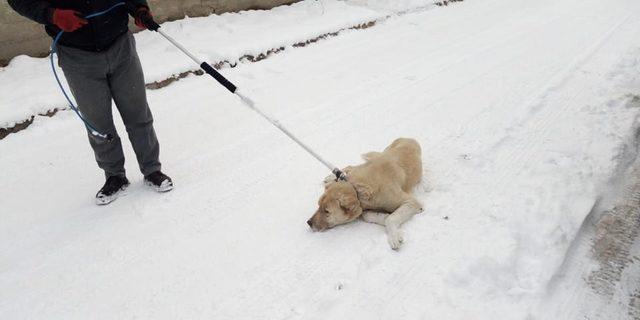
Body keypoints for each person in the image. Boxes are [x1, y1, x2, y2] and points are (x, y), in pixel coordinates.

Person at [8, 0, 173, 205]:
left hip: (120, 45)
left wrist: (139, 7)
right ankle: (115, 176)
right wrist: (52, 15)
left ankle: (152, 170)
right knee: (97, 122)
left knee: (137, 112)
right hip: (77, 54)